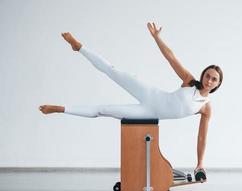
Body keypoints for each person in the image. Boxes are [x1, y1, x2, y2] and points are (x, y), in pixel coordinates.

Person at [39, 22, 223, 182]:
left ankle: (60, 109)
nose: (209, 80)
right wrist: (156, 38)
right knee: (113, 71)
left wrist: (200, 163)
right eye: (208, 75)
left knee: (104, 110)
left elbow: (201, 138)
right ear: (203, 75)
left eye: (214, 79)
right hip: (151, 94)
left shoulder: (205, 107)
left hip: (149, 113)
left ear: (218, 84)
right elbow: (171, 58)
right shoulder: (189, 81)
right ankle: (79, 46)